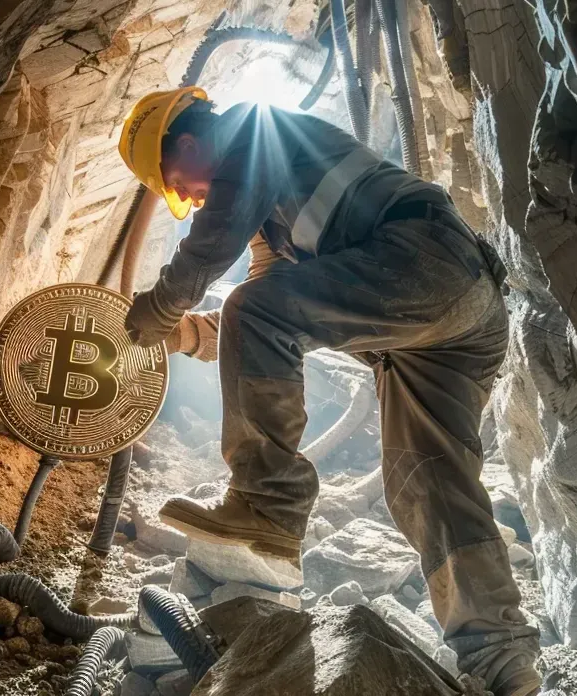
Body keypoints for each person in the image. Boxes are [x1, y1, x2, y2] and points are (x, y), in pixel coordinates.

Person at [117, 86, 541, 696]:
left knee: (256, 311)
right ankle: (502, 658)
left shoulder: (249, 131)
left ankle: (267, 505)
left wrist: (157, 308)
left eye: (175, 183)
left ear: (185, 142)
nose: (185, 197)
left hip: (423, 263)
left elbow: (220, 256)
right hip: (455, 311)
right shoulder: (276, 206)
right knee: (428, 482)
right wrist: (184, 335)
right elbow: (269, 308)